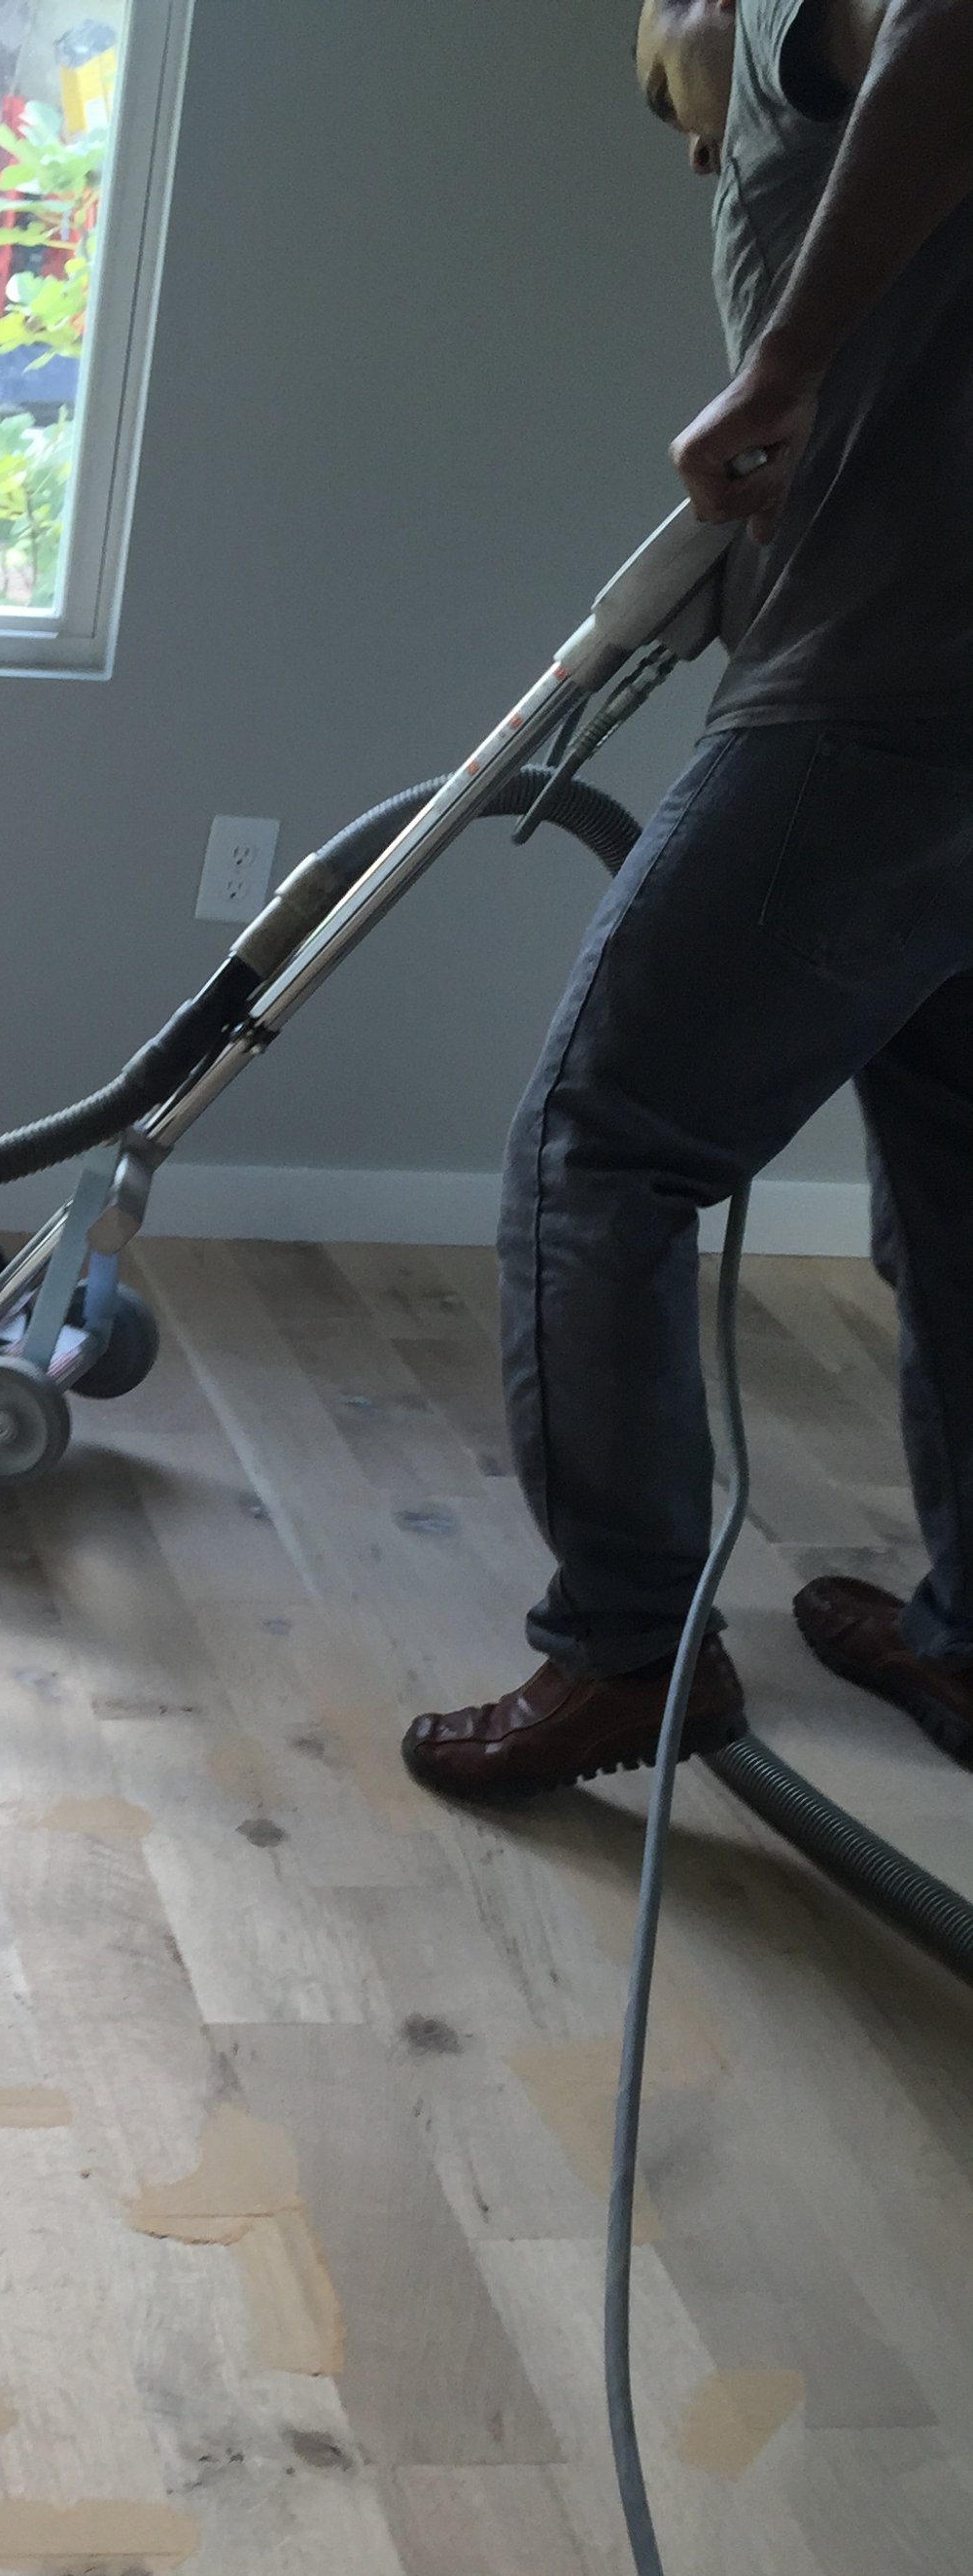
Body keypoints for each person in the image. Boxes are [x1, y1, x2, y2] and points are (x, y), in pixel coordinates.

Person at [402, 0, 973, 1798]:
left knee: (602, 1140)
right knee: (959, 1201)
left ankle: (630, 1649)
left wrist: (789, 360)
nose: (699, 146)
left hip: (885, 702)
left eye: (685, 94)